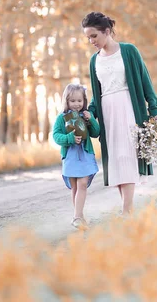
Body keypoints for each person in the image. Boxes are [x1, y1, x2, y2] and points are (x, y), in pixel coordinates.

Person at [82, 11, 157, 215]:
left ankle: (127, 210)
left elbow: (145, 82)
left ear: (107, 31)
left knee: (127, 156)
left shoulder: (129, 51)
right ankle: (128, 209)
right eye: (88, 37)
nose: (91, 41)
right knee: (115, 161)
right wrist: (90, 113)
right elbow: (96, 95)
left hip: (128, 108)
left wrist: (154, 109)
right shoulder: (94, 61)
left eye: (94, 36)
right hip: (107, 114)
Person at [52, 83, 100, 229]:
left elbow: (96, 132)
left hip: (84, 155)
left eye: (80, 101)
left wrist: (91, 119)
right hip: (71, 156)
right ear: (66, 101)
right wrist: (69, 138)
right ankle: (79, 216)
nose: (76, 104)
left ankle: (77, 217)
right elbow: (56, 136)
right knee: (74, 188)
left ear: (84, 101)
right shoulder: (62, 118)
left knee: (82, 184)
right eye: (72, 101)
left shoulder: (85, 116)